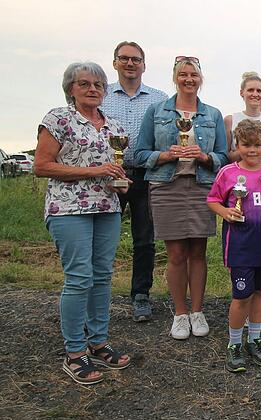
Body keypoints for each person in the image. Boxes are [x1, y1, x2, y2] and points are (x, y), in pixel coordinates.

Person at [35, 61, 132, 385]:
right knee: (79, 278)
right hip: (68, 208)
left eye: (98, 85)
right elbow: (42, 165)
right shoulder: (58, 119)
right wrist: (95, 171)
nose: (92, 89)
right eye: (84, 84)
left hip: (106, 206)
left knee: (103, 276)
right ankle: (75, 352)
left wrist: (121, 180)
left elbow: (115, 167)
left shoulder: (114, 126)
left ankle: (99, 342)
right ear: (71, 89)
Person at [134, 56, 229, 340]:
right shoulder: (156, 111)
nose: (189, 79)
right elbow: (139, 155)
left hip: (202, 187)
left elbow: (223, 156)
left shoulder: (212, 114)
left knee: (198, 253)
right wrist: (165, 155)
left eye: (194, 75)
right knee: (176, 254)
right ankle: (179, 313)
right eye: (183, 74)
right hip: (167, 187)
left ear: (201, 79)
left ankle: (197, 311)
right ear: (175, 78)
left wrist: (203, 156)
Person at [207, 119, 261, 372]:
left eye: (257, 145)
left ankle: (254, 339)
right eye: (246, 145)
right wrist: (225, 212)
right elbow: (212, 200)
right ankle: (234, 344)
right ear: (237, 145)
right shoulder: (228, 172)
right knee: (241, 295)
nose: (252, 150)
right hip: (240, 245)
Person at [101, 41, 168, 322]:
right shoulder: (100, 95)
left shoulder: (159, 98)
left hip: (144, 174)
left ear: (144, 64)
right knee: (103, 236)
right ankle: (97, 293)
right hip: (107, 176)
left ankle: (141, 295)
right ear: (115, 62)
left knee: (144, 238)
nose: (130, 64)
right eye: (124, 59)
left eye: (136, 59)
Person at [224, 71, 261, 326]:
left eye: (260, 90)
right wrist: (248, 156)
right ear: (242, 93)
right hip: (243, 189)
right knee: (244, 252)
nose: (256, 94)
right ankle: (242, 305)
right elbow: (227, 153)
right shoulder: (231, 119)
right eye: (251, 90)